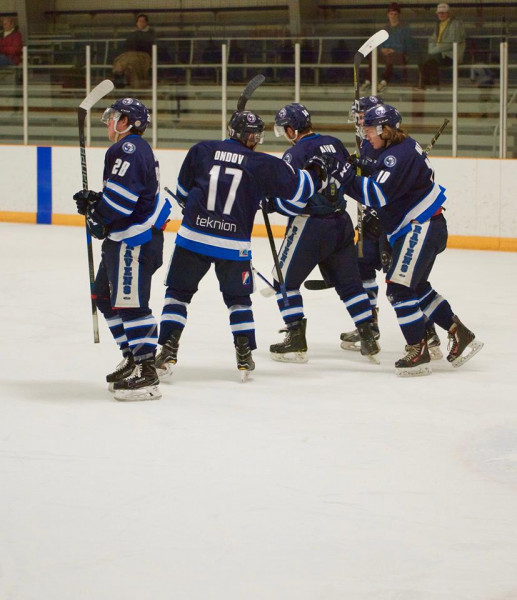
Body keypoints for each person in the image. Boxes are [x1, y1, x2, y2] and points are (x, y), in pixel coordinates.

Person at [155, 109, 327, 381]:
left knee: (177, 294)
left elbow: (183, 192)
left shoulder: (201, 150)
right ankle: (244, 353)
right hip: (233, 244)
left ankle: (166, 349)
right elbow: (302, 189)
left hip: (193, 238)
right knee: (238, 300)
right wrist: (316, 169)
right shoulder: (261, 163)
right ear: (255, 137)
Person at [329, 103, 483, 376]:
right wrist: (357, 163)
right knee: (418, 286)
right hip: (423, 226)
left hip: (419, 227)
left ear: (384, 129)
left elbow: (375, 195)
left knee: (399, 289)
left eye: (369, 130)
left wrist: (344, 176)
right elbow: (377, 165)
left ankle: (418, 349)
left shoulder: (395, 157)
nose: (366, 136)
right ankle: (460, 333)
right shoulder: (397, 148)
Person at [73, 98, 171, 401]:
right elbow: (125, 194)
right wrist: (96, 202)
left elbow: (122, 201)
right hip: (131, 238)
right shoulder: (136, 149)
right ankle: (132, 355)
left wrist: (98, 215)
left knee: (130, 304)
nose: (108, 121)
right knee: (104, 295)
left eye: (114, 116)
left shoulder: (126, 148)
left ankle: (146, 372)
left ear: (127, 121)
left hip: (134, 241)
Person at [267, 102, 380, 364]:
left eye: (285, 129)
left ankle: (295, 338)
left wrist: (271, 203)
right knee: (350, 284)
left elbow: (293, 201)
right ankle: (367, 335)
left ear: (292, 130)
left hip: (310, 225)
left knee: (283, 282)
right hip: (341, 222)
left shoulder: (295, 154)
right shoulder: (334, 142)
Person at [340, 96, 443, 360]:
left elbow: (381, 188)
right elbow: (374, 173)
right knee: (364, 265)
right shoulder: (371, 142)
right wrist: (359, 164)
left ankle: (427, 333)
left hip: (396, 222)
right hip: (384, 220)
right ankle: (370, 324)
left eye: (365, 120)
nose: (361, 125)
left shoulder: (391, 148)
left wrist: (350, 177)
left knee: (402, 281)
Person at [360, 3, 413, 93]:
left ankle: (384, 82)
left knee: (390, 57)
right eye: (391, 14)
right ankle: (368, 81)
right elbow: (380, 43)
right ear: (388, 14)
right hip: (387, 53)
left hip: (399, 54)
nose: (393, 16)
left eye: (395, 14)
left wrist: (394, 50)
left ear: (398, 15)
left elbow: (408, 46)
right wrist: (382, 49)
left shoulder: (405, 29)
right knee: (373, 56)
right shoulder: (385, 29)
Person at [416, 3, 466, 90]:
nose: (441, 15)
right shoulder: (439, 25)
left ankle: (434, 85)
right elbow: (431, 40)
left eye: (443, 12)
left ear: (448, 13)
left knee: (431, 60)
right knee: (422, 60)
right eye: (439, 13)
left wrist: (434, 49)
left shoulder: (456, 24)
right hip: (438, 53)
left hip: (451, 55)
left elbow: (451, 42)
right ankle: (426, 85)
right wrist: (433, 49)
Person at [112, 13, 156, 89]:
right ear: (136, 23)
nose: (141, 23)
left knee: (132, 62)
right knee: (121, 60)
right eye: (139, 21)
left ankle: (121, 75)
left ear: (146, 23)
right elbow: (126, 44)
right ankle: (119, 75)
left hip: (143, 55)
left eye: (143, 21)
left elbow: (147, 45)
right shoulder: (132, 33)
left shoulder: (151, 33)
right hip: (130, 53)